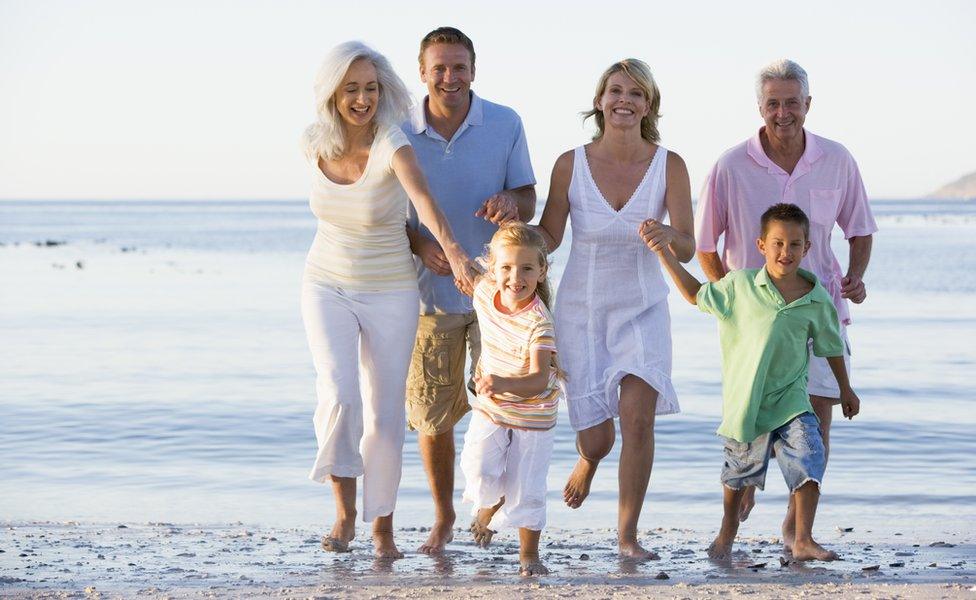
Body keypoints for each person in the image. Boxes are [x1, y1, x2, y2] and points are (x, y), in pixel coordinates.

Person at [300, 41, 473, 559]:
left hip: (391, 289)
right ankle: (344, 511)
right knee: (338, 394)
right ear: (333, 93)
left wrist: (456, 255)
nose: (362, 99)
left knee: (385, 414)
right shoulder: (312, 143)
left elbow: (423, 202)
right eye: (351, 88)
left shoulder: (393, 143)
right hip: (324, 282)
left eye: (371, 88)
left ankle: (382, 530)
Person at [695, 59, 878, 538]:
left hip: (817, 314)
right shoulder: (730, 165)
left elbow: (859, 231)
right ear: (760, 107)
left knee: (817, 419)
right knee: (751, 419)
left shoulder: (837, 159)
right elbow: (705, 245)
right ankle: (745, 492)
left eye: (792, 102)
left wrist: (854, 278)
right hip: (754, 327)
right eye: (773, 103)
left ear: (808, 105)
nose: (783, 112)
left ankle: (797, 528)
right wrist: (731, 306)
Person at [535, 59, 694, 559]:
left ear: (649, 106)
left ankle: (627, 536)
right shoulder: (570, 163)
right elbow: (549, 235)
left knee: (637, 417)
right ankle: (589, 460)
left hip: (644, 308)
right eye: (615, 90)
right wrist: (511, 232)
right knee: (599, 437)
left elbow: (688, 245)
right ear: (600, 100)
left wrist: (670, 236)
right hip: (581, 313)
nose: (624, 100)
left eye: (636, 94)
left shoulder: (671, 165)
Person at [651, 203, 860, 561]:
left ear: (807, 248)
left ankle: (803, 539)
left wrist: (846, 390)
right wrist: (664, 256)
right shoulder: (739, 286)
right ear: (762, 245)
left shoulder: (817, 299)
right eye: (778, 243)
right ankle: (727, 532)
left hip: (793, 401)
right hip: (746, 404)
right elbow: (693, 293)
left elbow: (832, 347)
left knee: (811, 458)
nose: (786, 252)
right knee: (737, 477)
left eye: (795, 244)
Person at [402, 26, 537, 555]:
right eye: (440, 68)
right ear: (422, 72)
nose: (450, 77)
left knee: (499, 405)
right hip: (427, 296)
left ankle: (492, 510)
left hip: (500, 298)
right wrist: (418, 243)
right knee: (432, 414)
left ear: (474, 70)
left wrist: (511, 200)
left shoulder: (505, 123)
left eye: (459, 67)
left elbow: (529, 195)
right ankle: (443, 517)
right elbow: (386, 212)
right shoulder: (398, 128)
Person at [457, 222, 562, 576]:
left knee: (528, 484)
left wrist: (499, 380)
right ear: (492, 267)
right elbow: (462, 267)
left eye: (527, 268)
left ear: (542, 271)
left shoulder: (539, 323)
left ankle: (529, 555)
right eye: (505, 267)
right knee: (477, 465)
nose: (515, 277)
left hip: (534, 412)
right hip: (492, 404)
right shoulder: (485, 291)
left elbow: (535, 380)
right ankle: (491, 502)